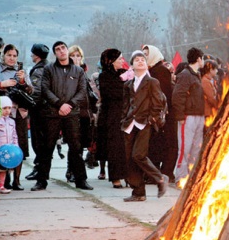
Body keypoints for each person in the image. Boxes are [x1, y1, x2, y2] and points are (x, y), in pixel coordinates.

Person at [31, 41, 93, 191]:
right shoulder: (49, 69)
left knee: (76, 147)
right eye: (57, 49)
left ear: (67, 50)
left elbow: (82, 91)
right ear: (55, 53)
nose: (61, 51)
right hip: (53, 113)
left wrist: (69, 105)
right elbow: (45, 89)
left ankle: (81, 180)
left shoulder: (78, 71)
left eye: (63, 48)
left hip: (72, 113)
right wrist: (59, 104)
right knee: (47, 148)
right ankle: (41, 181)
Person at [121, 50, 169, 202]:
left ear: (147, 64)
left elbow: (158, 102)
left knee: (138, 155)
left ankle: (160, 178)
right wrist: (123, 119)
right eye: (137, 60)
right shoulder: (128, 84)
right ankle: (138, 192)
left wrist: (151, 119)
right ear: (132, 65)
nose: (140, 61)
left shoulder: (152, 82)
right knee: (129, 158)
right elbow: (126, 104)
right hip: (129, 123)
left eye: (143, 59)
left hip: (144, 123)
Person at [0, 44, 33, 191]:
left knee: (19, 145)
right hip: (1, 113)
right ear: (4, 56)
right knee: (0, 145)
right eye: (9, 55)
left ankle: (17, 180)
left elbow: (31, 90)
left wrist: (23, 81)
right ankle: (2, 180)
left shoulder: (21, 71)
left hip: (19, 113)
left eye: (14, 56)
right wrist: (1, 84)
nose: (12, 58)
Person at [142, 44, 177, 183]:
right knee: (157, 144)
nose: (144, 56)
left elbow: (164, 94)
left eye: (146, 54)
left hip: (164, 114)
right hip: (157, 113)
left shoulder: (160, 71)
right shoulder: (151, 71)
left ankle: (166, 172)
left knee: (168, 143)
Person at [171, 47, 205, 186]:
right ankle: (180, 177)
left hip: (198, 115)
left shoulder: (196, 75)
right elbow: (178, 96)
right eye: (202, 58)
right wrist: (180, 115)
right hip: (187, 117)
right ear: (198, 59)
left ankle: (191, 177)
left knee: (195, 148)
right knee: (185, 148)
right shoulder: (185, 74)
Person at [96, 48, 127, 188]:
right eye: (119, 59)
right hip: (112, 116)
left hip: (125, 114)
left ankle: (127, 175)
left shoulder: (124, 74)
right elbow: (111, 94)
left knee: (126, 147)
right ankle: (115, 177)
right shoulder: (104, 76)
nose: (122, 61)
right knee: (114, 147)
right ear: (111, 61)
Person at [64, 45, 93, 183]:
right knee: (75, 144)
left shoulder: (83, 72)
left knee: (81, 144)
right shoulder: (67, 72)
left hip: (85, 114)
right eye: (73, 56)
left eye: (78, 56)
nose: (76, 58)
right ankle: (74, 170)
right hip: (73, 113)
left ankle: (72, 169)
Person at [26, 43, 50, 181]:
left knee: (38, 141)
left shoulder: (38, 70)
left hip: (39, 110)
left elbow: (37, 92)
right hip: (47, 110)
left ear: (36, 55)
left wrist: (30, 104)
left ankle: (39, 168)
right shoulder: (49, 67)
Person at [0, 96, 17, 197]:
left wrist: (15, 146)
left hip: (8, 149)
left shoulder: (12, 122)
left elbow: (14, 135)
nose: (7, 110)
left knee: (4, 169)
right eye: (4, 108)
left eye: (9, 108)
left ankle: (1, 186)